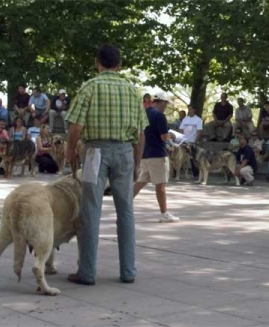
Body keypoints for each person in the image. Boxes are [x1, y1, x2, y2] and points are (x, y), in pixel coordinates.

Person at [64, 44, 148, 286]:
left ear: (96, 63)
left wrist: (70, 149)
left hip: (95, 153)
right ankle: (128, 271)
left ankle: (87, 272)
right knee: (126, 211)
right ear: (119, 65)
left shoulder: (89, 87)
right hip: (124, 152)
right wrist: (137, 162)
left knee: (91, 210)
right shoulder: (133, 91)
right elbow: (141, 133)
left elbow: (76, 126)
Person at [133, 92, 180, 223]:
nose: (166, 106)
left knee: (141, 182)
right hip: (158, 154)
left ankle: (124, 205)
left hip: (145, 153)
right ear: (162, 102)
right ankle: (164, 213)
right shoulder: (159, 116)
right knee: (160, 186)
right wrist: (173, 136)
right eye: (166, 104)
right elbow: (164, 137)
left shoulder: (144, 112)